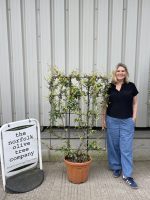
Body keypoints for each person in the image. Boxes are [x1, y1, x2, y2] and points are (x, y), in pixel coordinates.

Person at [101, 63, 139, 189]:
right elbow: (104, 104)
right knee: (113, 145)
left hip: (127, 121)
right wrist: (103, 119)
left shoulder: (131, 86)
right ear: (115, 72)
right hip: (112, 120)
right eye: (118, 71)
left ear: (126, 73)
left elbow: (135, 103)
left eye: (123, 71)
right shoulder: (109, 87)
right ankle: (116, 167)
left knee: (126, 148)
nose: (120, 73)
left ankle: (127, 175)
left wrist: (133, 118)